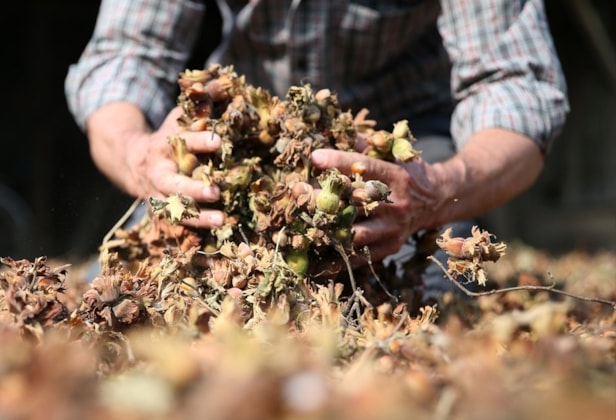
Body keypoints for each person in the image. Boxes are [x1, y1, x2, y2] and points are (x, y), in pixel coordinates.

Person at [65, 0, 568, 286]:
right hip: (243, 146)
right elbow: (126, 56)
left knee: (420, 300)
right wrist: (139, 155)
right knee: (122, 292)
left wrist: (435, 190)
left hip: (405, 148)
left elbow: (515, 86)